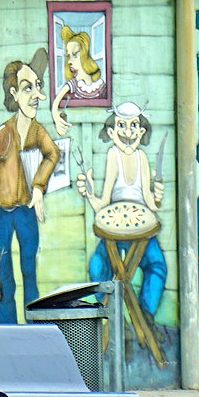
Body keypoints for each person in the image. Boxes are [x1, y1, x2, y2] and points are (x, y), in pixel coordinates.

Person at [0, 51, 59, 324]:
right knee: (4, 275)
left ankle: (35, 327)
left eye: (37, 86)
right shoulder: (5, 132)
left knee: (30, 272)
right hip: (2, 213)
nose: (35, 94)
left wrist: (39, 187)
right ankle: (7, 328)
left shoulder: (38, 132)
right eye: (27, 88)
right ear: (14, 94)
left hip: (26, 210)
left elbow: (52, 154)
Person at [76, 102, 168, 318]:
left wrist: (157, 197)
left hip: (141, 231)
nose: (128, 132)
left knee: (157, 267)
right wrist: (89, 194)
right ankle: (107, 311)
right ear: (112, 132)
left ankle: (145, 315)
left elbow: (150, 204)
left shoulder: (141, 158)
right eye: (121, 126)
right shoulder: (113, 155)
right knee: (98, 265)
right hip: (115, 232)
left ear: (141, 131)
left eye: (133, 125)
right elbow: (104, 203)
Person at [56, 23, 105, 102]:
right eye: (68, 56)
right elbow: (56, 102)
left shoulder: (101, 86)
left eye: (75, 55)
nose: (69, 61)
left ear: (85, 56)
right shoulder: (73, 84)